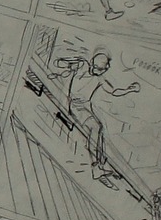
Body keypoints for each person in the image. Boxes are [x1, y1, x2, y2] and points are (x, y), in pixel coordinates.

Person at [53, 50, 139, 187]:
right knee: (95, 127)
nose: (101, 72)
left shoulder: (100, 79)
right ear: (94, 65)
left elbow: (114, 91)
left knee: (101, 130)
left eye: (103, 70)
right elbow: (59, 62)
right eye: (100, 69)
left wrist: (130, 89)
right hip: (75, 106)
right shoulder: (82, 65)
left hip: (85, 107)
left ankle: (101, 163)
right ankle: (96, 167)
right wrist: (67, 64)